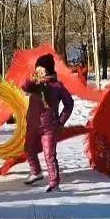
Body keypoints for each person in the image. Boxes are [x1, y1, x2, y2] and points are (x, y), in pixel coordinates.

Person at [21, 54, 74, 192]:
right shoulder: (35, 85)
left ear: (48, 70)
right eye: (37, 70)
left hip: (49, 127)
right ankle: (36, 172)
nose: (39, 72)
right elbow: (25, 87)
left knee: (49, 156)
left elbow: (69, 104)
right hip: (33, 125)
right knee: (28, 149)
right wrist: (31, 79)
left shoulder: (57, 86)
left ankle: (54, 183)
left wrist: (61, 121)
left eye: (42, 70)